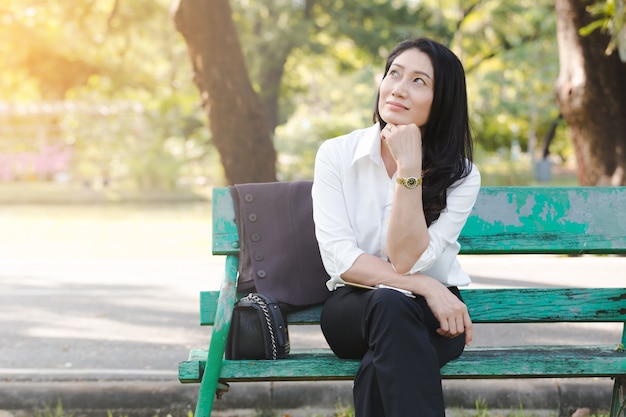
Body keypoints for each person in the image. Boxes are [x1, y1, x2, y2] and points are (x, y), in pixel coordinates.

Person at [311, 37, 481, 417]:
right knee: (387, 302)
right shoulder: (336, 155)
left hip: (432, 315)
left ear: (443, 101)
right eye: (394, 74)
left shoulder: (462, 175)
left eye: (419, 81)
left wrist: (409, 169)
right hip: (354, 308)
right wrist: (424, 285)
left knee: (381, 365)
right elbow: (341, 258)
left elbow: (406, 258)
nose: (399, 88)